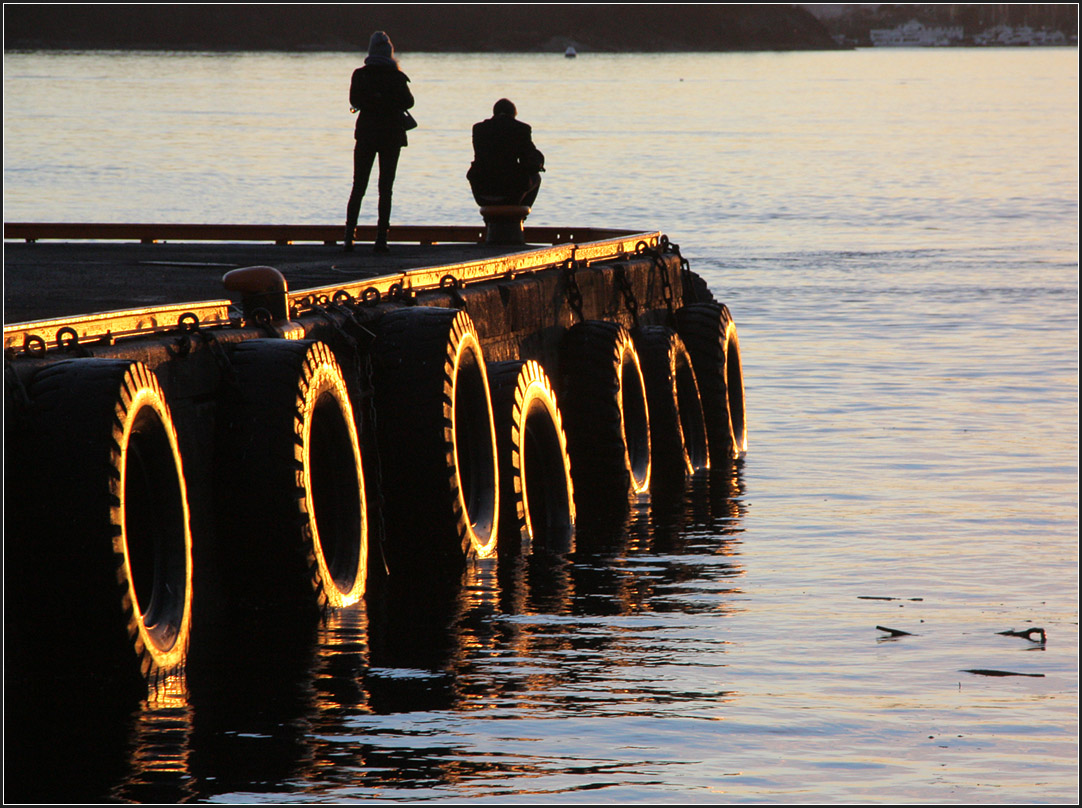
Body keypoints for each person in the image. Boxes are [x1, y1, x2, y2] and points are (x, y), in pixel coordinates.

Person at [344, 31, 414, 253]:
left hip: (366, 134)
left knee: (359, 185)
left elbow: (354, 100)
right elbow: (409, 102)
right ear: (390, 53)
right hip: (391, 136)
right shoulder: (397, 76)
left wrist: (372, 99)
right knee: (386, 188)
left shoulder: (360, 75)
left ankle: (349, 237)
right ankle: (381, 238)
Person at [467, 99, 545, 209]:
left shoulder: (479, 129)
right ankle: (519, 217)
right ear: (513, 114)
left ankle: (489, 221)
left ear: (494, 113)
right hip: (510, 194)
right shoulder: (521, 129)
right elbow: (527, 158)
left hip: (481, 192)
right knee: (536, 178)